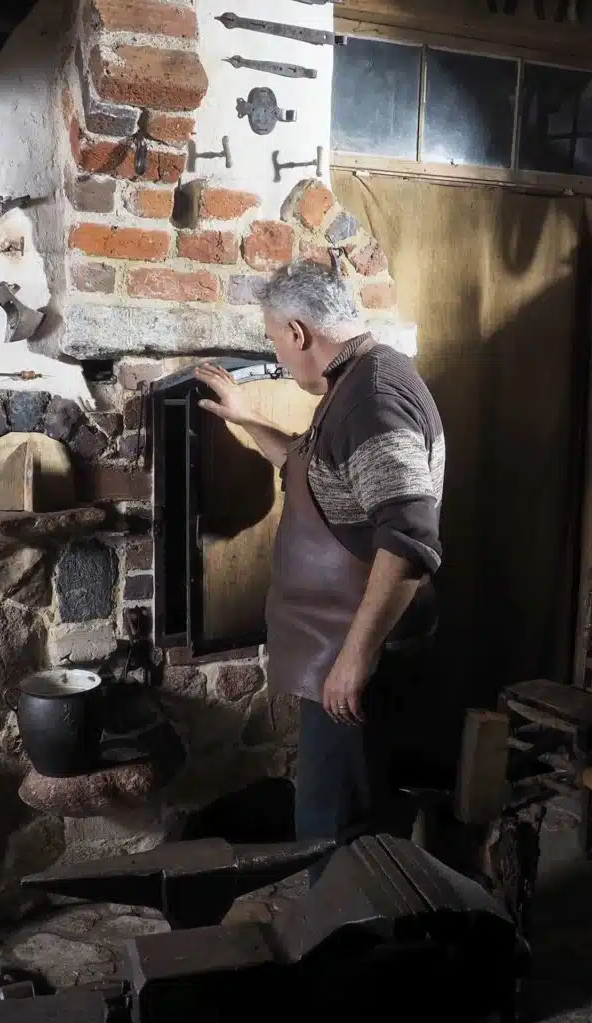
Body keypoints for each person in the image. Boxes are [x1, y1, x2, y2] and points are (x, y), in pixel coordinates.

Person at [195, 261, 445, 865]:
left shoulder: (373, 399)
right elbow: (312, 471)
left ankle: (348, 926)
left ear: (299, 332)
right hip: (339, 646)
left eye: (275, 342)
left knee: (335, 832)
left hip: (356, 654)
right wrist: (247, 417)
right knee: (338, 821)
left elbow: (410, 540)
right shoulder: (353, 381)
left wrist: (354, 660)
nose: (278, 358)